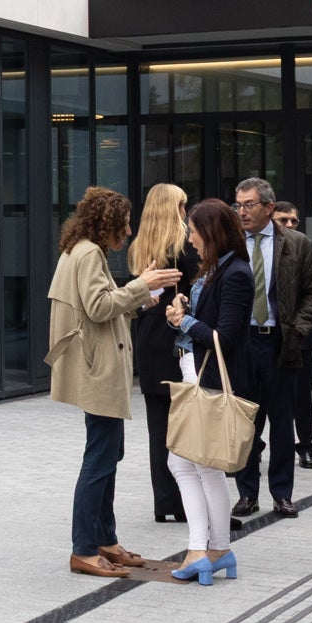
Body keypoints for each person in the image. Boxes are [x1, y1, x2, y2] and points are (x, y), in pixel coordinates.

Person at [50, 185, 178, 578]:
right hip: (98, 369)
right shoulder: (89, 252)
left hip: (95, 367)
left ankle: (105, 540)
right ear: (107, 222)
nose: (128, 230)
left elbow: (100, 306)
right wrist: (143, 285)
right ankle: (84, 550)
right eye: (124, 222)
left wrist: (139, 297)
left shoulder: (80, 249)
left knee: (107, 456)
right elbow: (99, 306)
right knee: (100, 460)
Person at [167, 197, 254, 583]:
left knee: (192, 463)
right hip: (200, 377)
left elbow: (225, 337)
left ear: (211, 233)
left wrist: (185, 321)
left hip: (213, 381)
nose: (190, 239)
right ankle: (215, 550)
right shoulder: (219, 269)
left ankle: (201, 550)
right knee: (198, 464)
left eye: (194, 231)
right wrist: (184, 315)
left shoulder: (235, 273)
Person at [227, 175, 312, 516]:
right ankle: (247, 493)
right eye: (238, 205)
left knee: (282, 423)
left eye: (249, 205)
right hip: (242, 344)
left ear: (268, 207)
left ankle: (282, 494)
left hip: (280, 343)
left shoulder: (296, 244)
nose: (242, 212)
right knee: (245, 424)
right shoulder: (231, 243)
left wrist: (297, 330)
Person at [124, 183, 198, 531]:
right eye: (183, 205)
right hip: (175, 337)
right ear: (175, 208)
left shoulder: (140, 246)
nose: (186, 212)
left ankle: (164, 501)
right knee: (183, 424)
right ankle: (183, 501)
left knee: (158, 426)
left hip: (148, 337)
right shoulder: (184, 246)